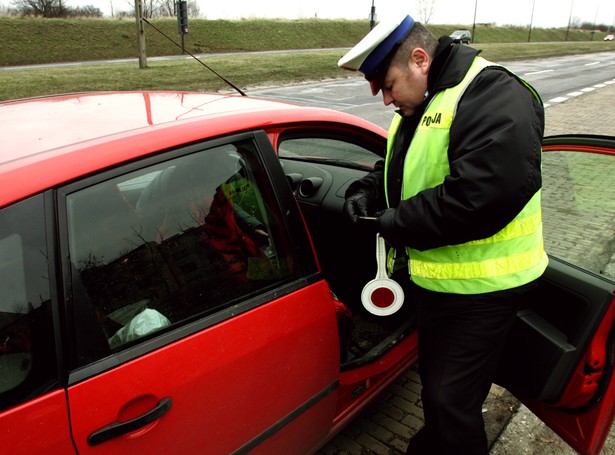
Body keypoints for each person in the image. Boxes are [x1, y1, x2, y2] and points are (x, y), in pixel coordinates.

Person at [338, 14, 548, 455]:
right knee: (438, 391)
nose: (387, 99)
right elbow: (406, 163)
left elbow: (482, 195)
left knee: (450, 402)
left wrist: (395, 223)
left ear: (420, 59)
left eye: (390, 85)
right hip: (440, 283)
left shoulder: (492, 93)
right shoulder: (424, 100)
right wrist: (369, 187)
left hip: (485, 290)